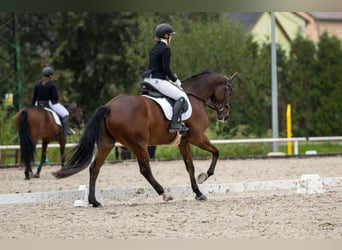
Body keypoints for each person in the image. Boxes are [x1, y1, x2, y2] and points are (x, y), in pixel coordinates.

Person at [142, 23, 189, 133]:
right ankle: (174, 124)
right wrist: (175, 80)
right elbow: (166, 69)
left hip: (148, 80)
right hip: (158, 81)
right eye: (171, 35)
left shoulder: (154, 47)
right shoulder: (165, 49)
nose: (171, 37)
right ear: (167, 36)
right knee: (181, 96)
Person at [32, 66, 73, 136]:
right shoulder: (52, 84)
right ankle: (66, 132)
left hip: (38, 104)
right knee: (65, 113)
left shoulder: (37, 84)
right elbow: (55, 97)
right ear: (50, 76)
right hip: (49, 103)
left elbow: (34, 97)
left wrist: (32, 106)